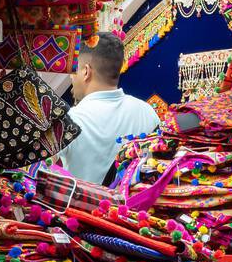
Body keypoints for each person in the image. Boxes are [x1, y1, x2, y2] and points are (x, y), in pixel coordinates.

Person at [58, 33, 160, 185]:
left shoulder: (70, 119)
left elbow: (43, 168)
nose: (71, 78)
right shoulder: (147, 112)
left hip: (82, 207)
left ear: (86, 72)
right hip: (135, 208)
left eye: (74, 71)